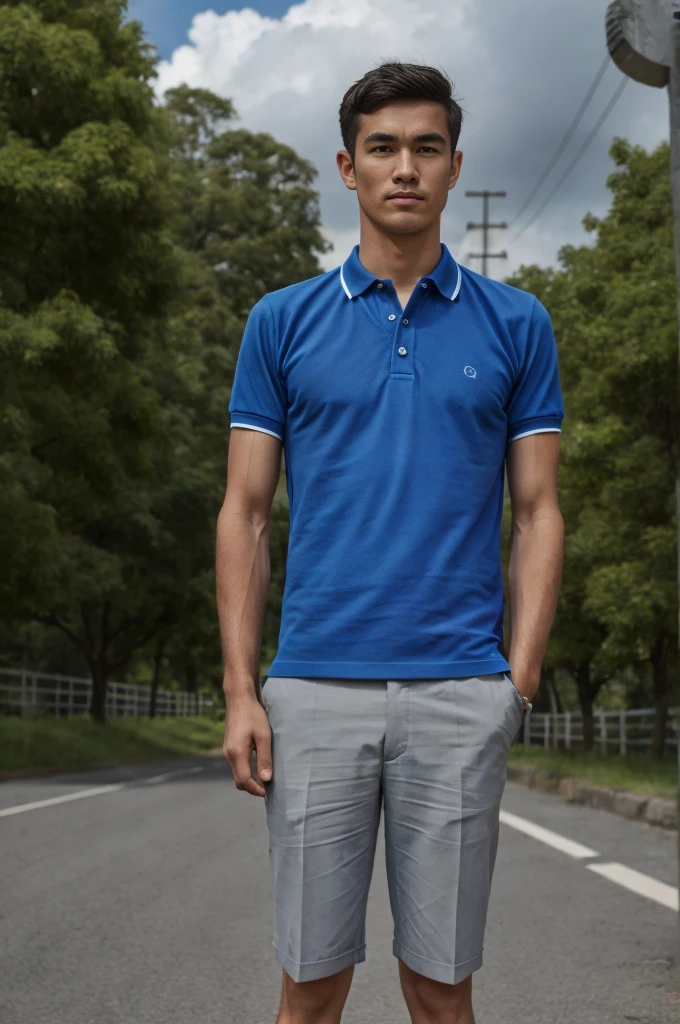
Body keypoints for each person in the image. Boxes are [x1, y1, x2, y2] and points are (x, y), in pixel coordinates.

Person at [216, 60, 564, 1024]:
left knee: (441, 989)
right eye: (382, 148)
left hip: (461, 690)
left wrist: (516, 685)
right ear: (348, 166)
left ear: (455, 167)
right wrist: (245, 691)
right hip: (314, 690)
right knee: (311, 985)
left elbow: (538, 512)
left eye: (425, 147)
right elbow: (244, 512)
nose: (404, 166)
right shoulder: (278, 323)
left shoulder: (519, 325)